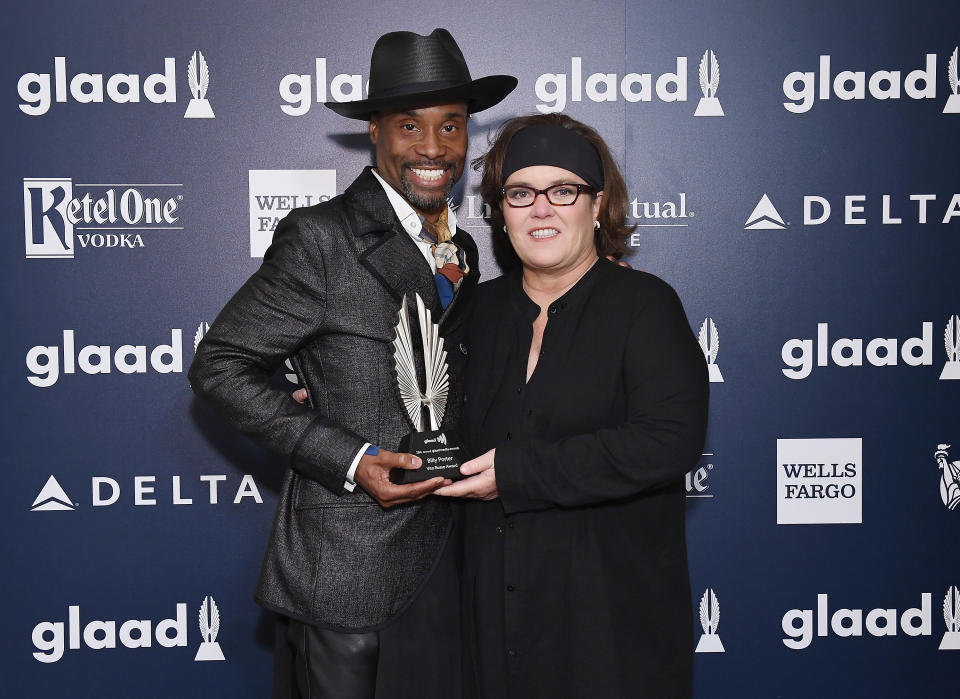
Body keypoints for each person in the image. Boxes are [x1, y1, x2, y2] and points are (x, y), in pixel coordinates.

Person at [188, 28, 516, 698]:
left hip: (449, 561)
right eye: (409, 125)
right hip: (350, 570)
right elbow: (221, 363)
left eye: (450, 125)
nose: (432, 148)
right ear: (375, 132)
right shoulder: (321, 238)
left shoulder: (466, 250)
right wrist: (349, 457)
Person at [436, 114, 709, 698]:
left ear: (598, 203)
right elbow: (426, 413)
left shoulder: (644, 305)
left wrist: (518, 473)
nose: (541, 209)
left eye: (563, 191)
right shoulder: (474, 314)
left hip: (608, 635)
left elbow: (669, 439)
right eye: (520, 193)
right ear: (501, 211)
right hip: (489, 634)